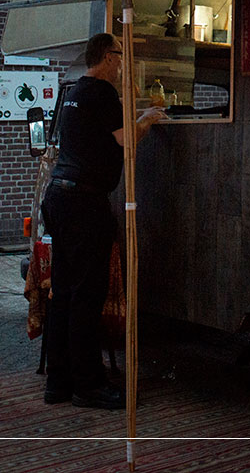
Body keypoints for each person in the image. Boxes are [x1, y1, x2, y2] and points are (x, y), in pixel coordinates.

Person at [42, 32, 165, 409]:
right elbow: (126, 141)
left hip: (58, 197)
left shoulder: (74, 92)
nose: (122, 63)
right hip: (84, 202)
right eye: (120, 55)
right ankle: (89, 384)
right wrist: (147, 117)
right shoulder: (102, 92)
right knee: (86, 296)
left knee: (62, 292)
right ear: (108, 57)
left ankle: (58, 382)